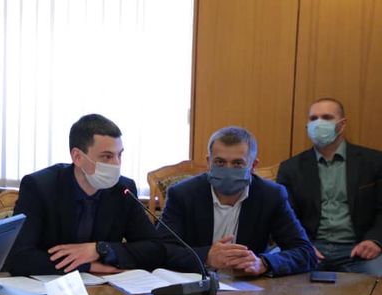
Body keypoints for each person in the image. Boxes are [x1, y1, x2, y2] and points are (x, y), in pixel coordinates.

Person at [4, 113, 165, 276]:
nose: (116, 164)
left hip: (105, 287)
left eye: (119, 155)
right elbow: (18, 257)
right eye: (107, 156)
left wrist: (100, 249)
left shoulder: (123, 189)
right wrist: (87, 266)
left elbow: (155, 249)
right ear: (78, 157)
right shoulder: (40, 187)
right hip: (51, 285)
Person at [159, 126, 316, 276]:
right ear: (209, 162)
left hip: (247, 284)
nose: (228, 169)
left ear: (253, 166)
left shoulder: (271, 196)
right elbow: (161, 250)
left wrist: (263, 263)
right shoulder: (182, 194)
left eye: (237, 163)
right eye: (220, 162)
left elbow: (305, 252)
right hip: (195, 281)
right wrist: (206, 256)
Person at [277, 98, 382, 275]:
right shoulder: (290, 168)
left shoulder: (374, 162)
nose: (318, 123)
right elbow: (284, 214)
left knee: (376, 283)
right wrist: (301, 245)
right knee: (277, 274)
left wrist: (375, 241)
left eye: (326, 117)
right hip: (310, 247)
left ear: (342, 124)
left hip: (358, 249)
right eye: (313, 118)